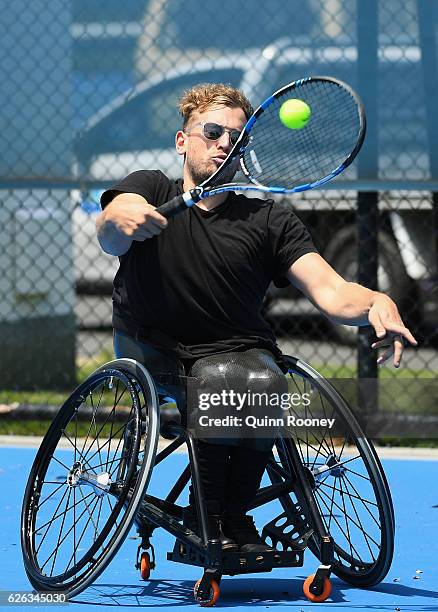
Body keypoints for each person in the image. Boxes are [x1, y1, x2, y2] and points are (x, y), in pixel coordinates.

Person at [95, 83, 417, 553]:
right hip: (152, 348)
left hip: (239, 352)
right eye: (212, 131)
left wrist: (374, 301)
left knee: (254, 377)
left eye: (236, 138)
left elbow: (331, 290)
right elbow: (113, 227)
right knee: (229, 379)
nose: (224, 143)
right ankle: (215, 522)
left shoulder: (269, 221)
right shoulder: (151, 188)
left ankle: (230, 519)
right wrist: (120, 215)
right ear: (183, 140)